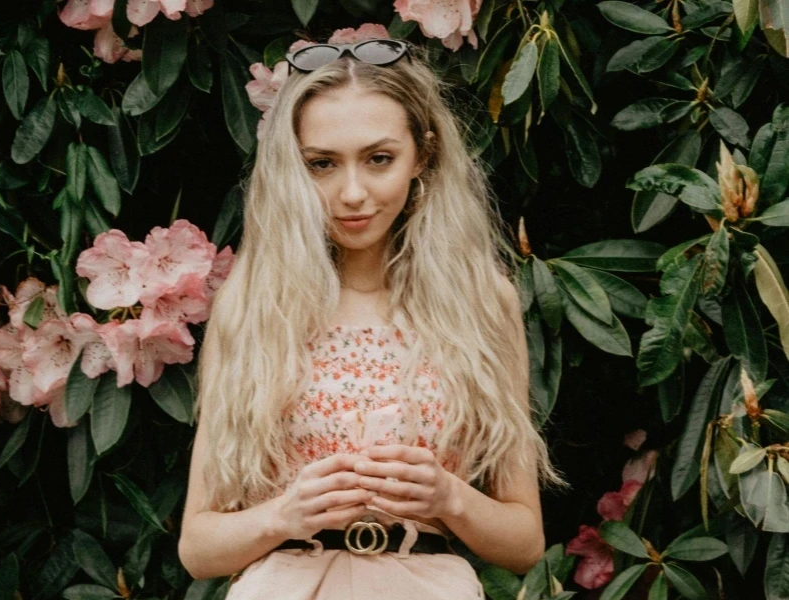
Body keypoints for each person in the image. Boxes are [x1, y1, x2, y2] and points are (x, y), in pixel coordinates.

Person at [178, 39, 561, 599]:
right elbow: (198, 548)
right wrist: (283, 515)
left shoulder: (482, 303)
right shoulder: (254, 305)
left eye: (379, 159)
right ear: (293, 167)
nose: (351, 193)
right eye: (322, 164)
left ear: (422, 155)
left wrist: (449, 497)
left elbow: (524, 543)